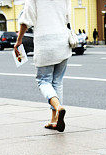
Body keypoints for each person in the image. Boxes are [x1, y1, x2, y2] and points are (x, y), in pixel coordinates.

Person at [14, 0, 72, 132]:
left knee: (43, 81)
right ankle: (54, 120)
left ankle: (58, 108)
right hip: (63, 41)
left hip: (45, 43)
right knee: (57, 82)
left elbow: (26, 19)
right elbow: (67, 17)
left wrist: (19, 40)